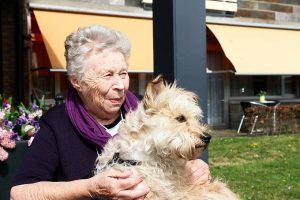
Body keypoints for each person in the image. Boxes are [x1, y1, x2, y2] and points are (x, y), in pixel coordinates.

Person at [10, 24, 211, 199]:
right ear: (77, 81)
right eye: (107, 75)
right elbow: (20, 193)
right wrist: (90, 188)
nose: (120, 85)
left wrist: (197, 167)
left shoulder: (149, 111)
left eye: (123, 74)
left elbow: (178, 155)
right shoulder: (57, 124)